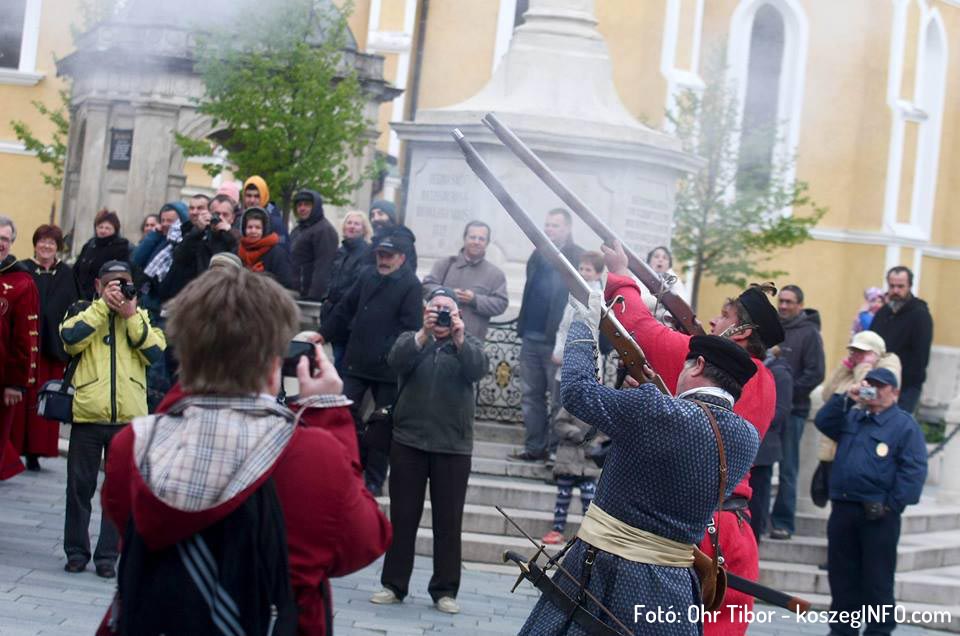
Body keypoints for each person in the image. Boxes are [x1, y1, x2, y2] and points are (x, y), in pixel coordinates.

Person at [101, 266, 391, 636]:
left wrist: (196, 380)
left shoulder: (134, 442)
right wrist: (328, 410)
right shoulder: (313, 454)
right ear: (274, 360)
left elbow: (123, 516)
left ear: (183, 351)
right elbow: (364, 542)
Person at [519, 299, 760, 635]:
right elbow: (686, 438)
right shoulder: (747, 436)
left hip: (605, 570)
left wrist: (583, 325)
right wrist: (653, 398)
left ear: (699, 365)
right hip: (674, 586)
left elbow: (575, 392)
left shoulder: (653, 409)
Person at [601, 239, 783, 636]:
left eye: (724, 316)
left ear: (742, 331)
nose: (713, 322)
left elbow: (638, 328)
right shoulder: (767, 380)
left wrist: (619, 273)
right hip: (737, 527)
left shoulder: (708, 362)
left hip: (691, 531)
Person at [371, 287, 488, 614]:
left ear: (458, 314)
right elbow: (395, 361)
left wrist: (460, 339)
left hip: (453, 447)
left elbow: (478, 369)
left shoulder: (469, 344)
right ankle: (393, 585)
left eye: (447, 309)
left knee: (448, 522)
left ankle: (445, 590)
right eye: (436, 308)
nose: (442, 315)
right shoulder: (412, 339)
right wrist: (423, 333)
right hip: (408, 442)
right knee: (402, 518)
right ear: (426, 312)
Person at [59, 260, 166, 578]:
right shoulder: (83, 310)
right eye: (111, 284)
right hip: (89, 416)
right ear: (98, 286)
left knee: (119, 492)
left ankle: (108, 556)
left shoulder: (141, 315)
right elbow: (70, 339)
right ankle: (76, 552)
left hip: (128, 419)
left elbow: (155, 353)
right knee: (79, 488)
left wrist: (131, 315)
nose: (119, 290)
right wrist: (102, 308)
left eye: (124, 283)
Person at [815, 368, 927, 636]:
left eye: (880, 386)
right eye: (870, 384)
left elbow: (914, 471)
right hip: (844, 507)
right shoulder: (854, 415)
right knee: (842, 576)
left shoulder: (903, 425)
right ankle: (842, 629)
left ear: (895, 392)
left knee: (877, 579)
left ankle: (879, 630)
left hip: (878, 514)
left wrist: (891, 505)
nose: (874, 391)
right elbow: (823, 421)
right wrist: (847, 397)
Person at [318, 233, 423, 495]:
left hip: (387, 368)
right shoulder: (366, 275)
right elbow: (345, 308)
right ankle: (353, 462)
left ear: (401, 258)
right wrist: (323, 333)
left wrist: (389, 351)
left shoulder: (411, 284)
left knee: (382, 423)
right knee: (344, 410)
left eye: (389, 256)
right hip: (357, 361)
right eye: (380, 255)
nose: (383, 260)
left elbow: (410, 326)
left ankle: (375, 479)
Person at [510, 209, 584, 462]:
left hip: (557, 342)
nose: (549, 229)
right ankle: (535, 447)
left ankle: (554, 450)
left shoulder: (577, 256)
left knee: (558, 399)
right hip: (531, 336)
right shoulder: (537, 254)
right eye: (547, 225)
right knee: (531, 396)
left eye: (555, 225)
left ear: (568, 228)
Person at [11, 225, 79, 470]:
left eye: (51, 242)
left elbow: (72, 306)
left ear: (57, 247)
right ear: (35, 244)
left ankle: (36, 452)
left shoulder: (66, 274)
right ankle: (13, 449)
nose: (46, 246)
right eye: (42, 241)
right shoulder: (22, 269)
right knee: (20, 400)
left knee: (45, 396)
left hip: (52, 349)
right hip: (25, 345)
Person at [769, 284, 825, 540]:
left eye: (789, 302)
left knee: (788, 468)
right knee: (761, 466)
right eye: (781, 301)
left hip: (794, 411)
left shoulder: (810, 333)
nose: (783, 306)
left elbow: (816, 373)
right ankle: (758, 519)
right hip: (769, 408)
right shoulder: (771, 328)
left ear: (800, 305)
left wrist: (788, 392)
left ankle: (783, 522)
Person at [422, 220, 509, 342]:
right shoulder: (444, 265)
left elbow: (501, 304)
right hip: (438, 337)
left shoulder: (495, 274)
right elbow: (426, 287)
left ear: (487, 243)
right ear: (464, 238)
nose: (476, 242)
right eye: (472, 237)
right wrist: (447, 294)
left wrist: (474, 300)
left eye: (481, 239)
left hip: (471, 342)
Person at [0, 216, 39, 481]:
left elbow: (26, 337)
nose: (0, 243)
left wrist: (16, 383)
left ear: (12, 242)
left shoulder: (22, 283)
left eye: (4, 238)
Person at [870, 265, 934, 414]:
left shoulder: (920, 314)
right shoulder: (883, 313)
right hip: (877, 381)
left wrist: (900, 384)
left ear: (909, 286)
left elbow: (921, 355)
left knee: (897, 424)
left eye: (900, 286)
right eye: (892, 286)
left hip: (906, 386)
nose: (895, 291)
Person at [540, 405, 601, 545]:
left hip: (589, 463)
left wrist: (595, 442)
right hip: (567, 461)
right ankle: (557, 530)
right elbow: (559, 423)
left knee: (589, 500)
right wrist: (575, 433)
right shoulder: (571, 405)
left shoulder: (601, 405)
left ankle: (587, 533)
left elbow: (607, 431)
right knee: (563, 497)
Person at [158, 195, 238, 301]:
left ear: (232, 218)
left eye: (225, 215)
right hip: (194, 296)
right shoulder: (198, 235)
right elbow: (179, 258)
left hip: (222, 296)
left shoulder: (236, 237)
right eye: (216, 214)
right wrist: (197, 231)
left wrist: (230, 233)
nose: (220, 218)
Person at [748, 346, 792, 543]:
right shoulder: (752, 368)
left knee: (757, 504)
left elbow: (780, 412)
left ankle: (754, 542)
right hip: (749, 444)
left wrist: (752, 416)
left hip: (764, 449)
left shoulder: (780, 374)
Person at [321, 210, 373, 371]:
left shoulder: (367, 253)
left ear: (364, 229)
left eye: (357, 224)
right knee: (336, 358)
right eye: (349, 223)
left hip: (349, 317)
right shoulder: (340, 251)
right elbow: (330, 279)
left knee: (341, 361)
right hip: (333, 314)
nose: (352, 226)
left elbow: (357, 285)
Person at [289, 189, 339, 300]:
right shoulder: (298, 230)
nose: (302, 208)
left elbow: (324, 267)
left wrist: (314, 297)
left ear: (315, 206)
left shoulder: (324, 230)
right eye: (299, 205)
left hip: (309, 297)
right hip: (295, 293)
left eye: (307, 205)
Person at [73, 209, 132, 301]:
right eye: (100, 227)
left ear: (115, 230)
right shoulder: (89, 246)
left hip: (105, 297)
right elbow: (76, 270)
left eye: (107, 228)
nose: (103, 230)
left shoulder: (121, 248)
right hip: (81, 296)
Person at [239, 207, 296, 289]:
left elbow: (286, 283)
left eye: (258, 227)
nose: (253, 231)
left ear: (264, 230)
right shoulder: (238, 250)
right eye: (250, 227)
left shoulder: (277, 253)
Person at [643, 245, 689, 325]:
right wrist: (666, 300)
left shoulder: (674, 280)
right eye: (656, 256)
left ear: (669, 264)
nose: (660, 260)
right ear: (649, 261)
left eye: (665, 258)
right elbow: (640, 301)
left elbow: (682, 304)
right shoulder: (639, 277)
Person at [368, 199, 418, 271]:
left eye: (380, 214)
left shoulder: (402, 239)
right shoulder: (375, 239)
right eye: (372, 215)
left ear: (391, 217)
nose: (376, 218)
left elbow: (406, 270)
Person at [242, 175, 289, 245]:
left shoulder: (276, 223)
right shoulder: (241, 220)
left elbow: (283, 247)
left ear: (264, 196)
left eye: (257, 196)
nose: (252, 200)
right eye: (249, 196)